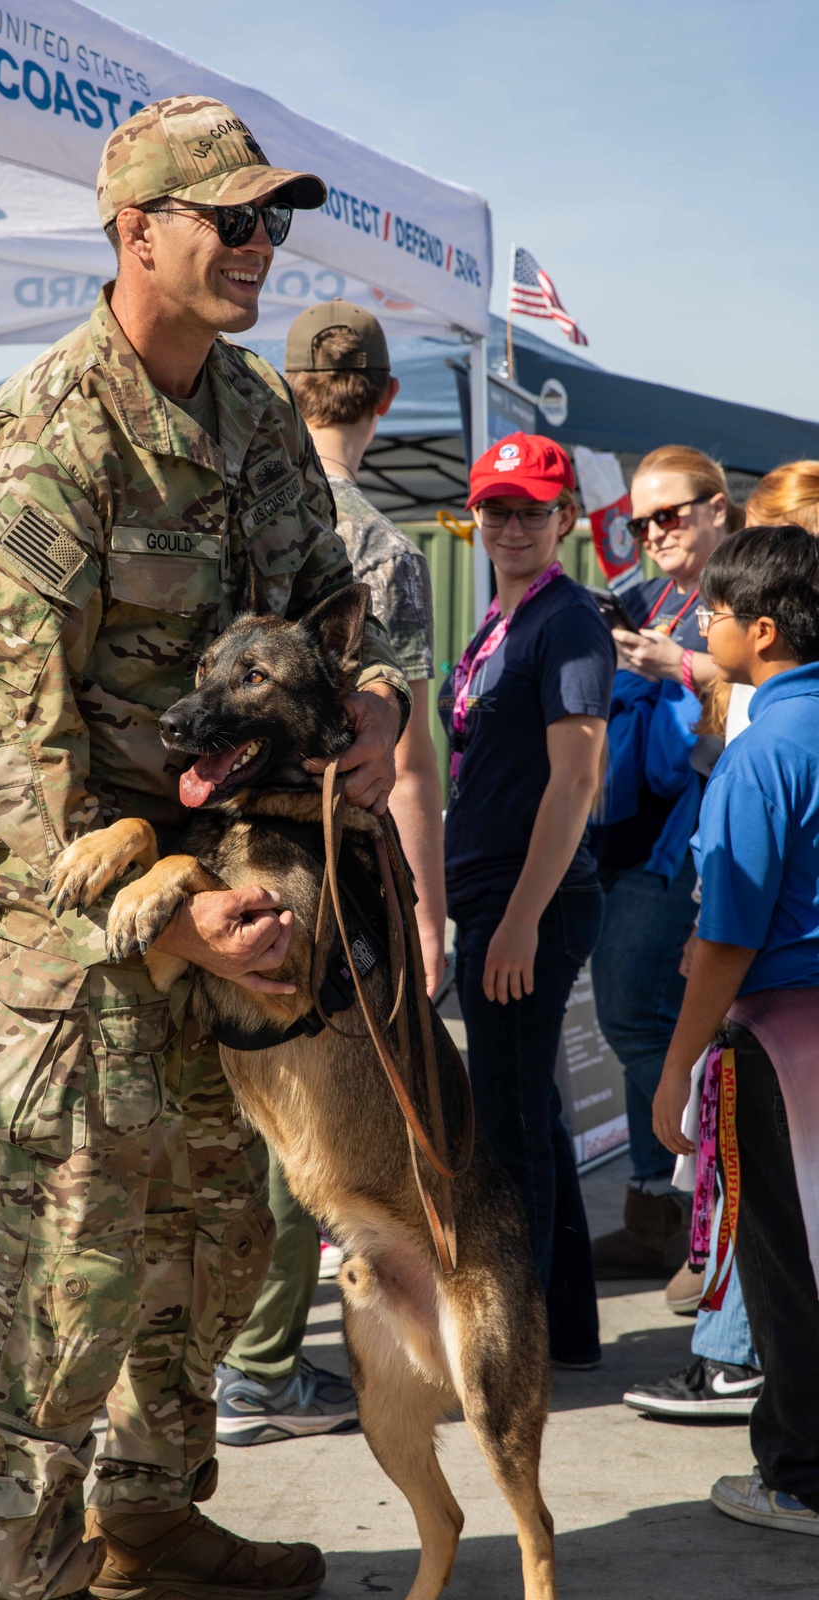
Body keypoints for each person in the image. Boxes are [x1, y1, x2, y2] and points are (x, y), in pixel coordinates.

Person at [0, 97, 411, 1600]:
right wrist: (171, 920)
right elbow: (18, 767)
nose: (263, 248)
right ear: (138, 230)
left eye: (274, 222)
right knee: (65, 1295)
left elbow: (335, 612)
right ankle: (16, 1573)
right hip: (80, 954)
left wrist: (382, 706)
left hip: (226, 931)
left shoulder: (258, 418)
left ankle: (148, 1523)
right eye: (234, 219)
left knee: (205, 1254)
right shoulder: (47, 447)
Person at [213, 301, 444, 1446]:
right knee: (316, 1115)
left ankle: (235, 1358)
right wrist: (424, 915)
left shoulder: (240, 522)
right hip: (328, 879)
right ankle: (260, 1363)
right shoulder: (387, 554)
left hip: (218, 864)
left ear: (284, 387)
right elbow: (390, 764)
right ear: (386, 400)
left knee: (249, 1109)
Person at [622, 459, 819, 1419]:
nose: (704, 625)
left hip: (779, 1046)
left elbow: (728, 936)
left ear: (766, 631)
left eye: (719, 612)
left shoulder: (761, 755)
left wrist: (678, 1065)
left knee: (784, 1266)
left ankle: (795, 1475)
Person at [441, 432, 614, 1369]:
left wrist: (518, 922)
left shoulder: (568, 621)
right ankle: (566, 1329)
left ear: (564, 520)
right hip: (499, 898)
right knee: (530, 1114)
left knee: (508, 1133)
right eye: (496, 508)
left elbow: (575, 780)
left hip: (527, 903)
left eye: (530, 510)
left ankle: (515, 1348)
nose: (511, 524)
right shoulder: (504, 620)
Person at [589, 445, 742, 1285]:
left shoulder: (745, 594)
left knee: (642, 1017)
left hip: (684, 846)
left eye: (670, 514)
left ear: (719, 508)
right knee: (649, 1020)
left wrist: (674, 663)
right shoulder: (653, 595)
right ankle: (659, 1206)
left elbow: (770, 680)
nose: (652, 532)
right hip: (627, 841)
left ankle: (696, 1208)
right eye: (639, 520)